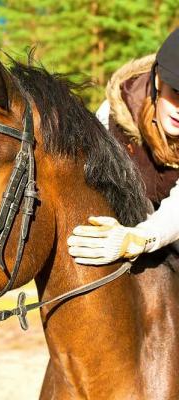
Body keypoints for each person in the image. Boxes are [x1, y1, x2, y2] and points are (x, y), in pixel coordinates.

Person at [68, 28, 179, 265]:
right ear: (158, 80)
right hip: (125, 224)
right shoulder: (113, 116)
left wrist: (136, 238)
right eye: (177, 92)